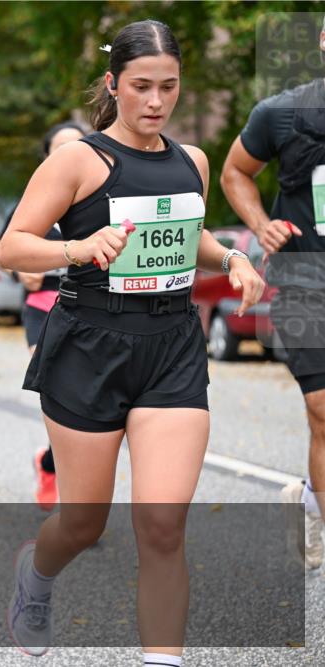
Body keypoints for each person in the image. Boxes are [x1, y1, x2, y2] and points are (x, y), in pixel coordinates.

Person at [0, 20, 264, 663]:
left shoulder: (191, 161)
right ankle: (38, 570)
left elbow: (185, 233)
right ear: (114, 84)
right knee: (84, 524)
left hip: (171, 345)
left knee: (163, 527)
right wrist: (76, 247)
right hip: (90, 344)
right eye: (141, 86)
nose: (155, 101)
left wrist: (229, 258)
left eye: (168, 87)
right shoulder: (78, 160)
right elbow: (11, 246)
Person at [220, 17, 325, 570]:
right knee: (323, 408)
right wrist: (261, 224)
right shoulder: (281, 113)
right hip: (307, 281)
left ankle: (307, 499)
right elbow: (236, 172)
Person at [0, 121, 87, 511]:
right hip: (42, 307)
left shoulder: (102, 199)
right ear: (46, 157)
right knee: (58, 389)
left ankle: (49, 463)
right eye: (59, 150)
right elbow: (1, 252)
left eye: (76, 149)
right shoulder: (34, 201)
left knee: (84, 402)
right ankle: (72, 494)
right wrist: (19, 271)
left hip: (89, 309)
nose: (68, 157)